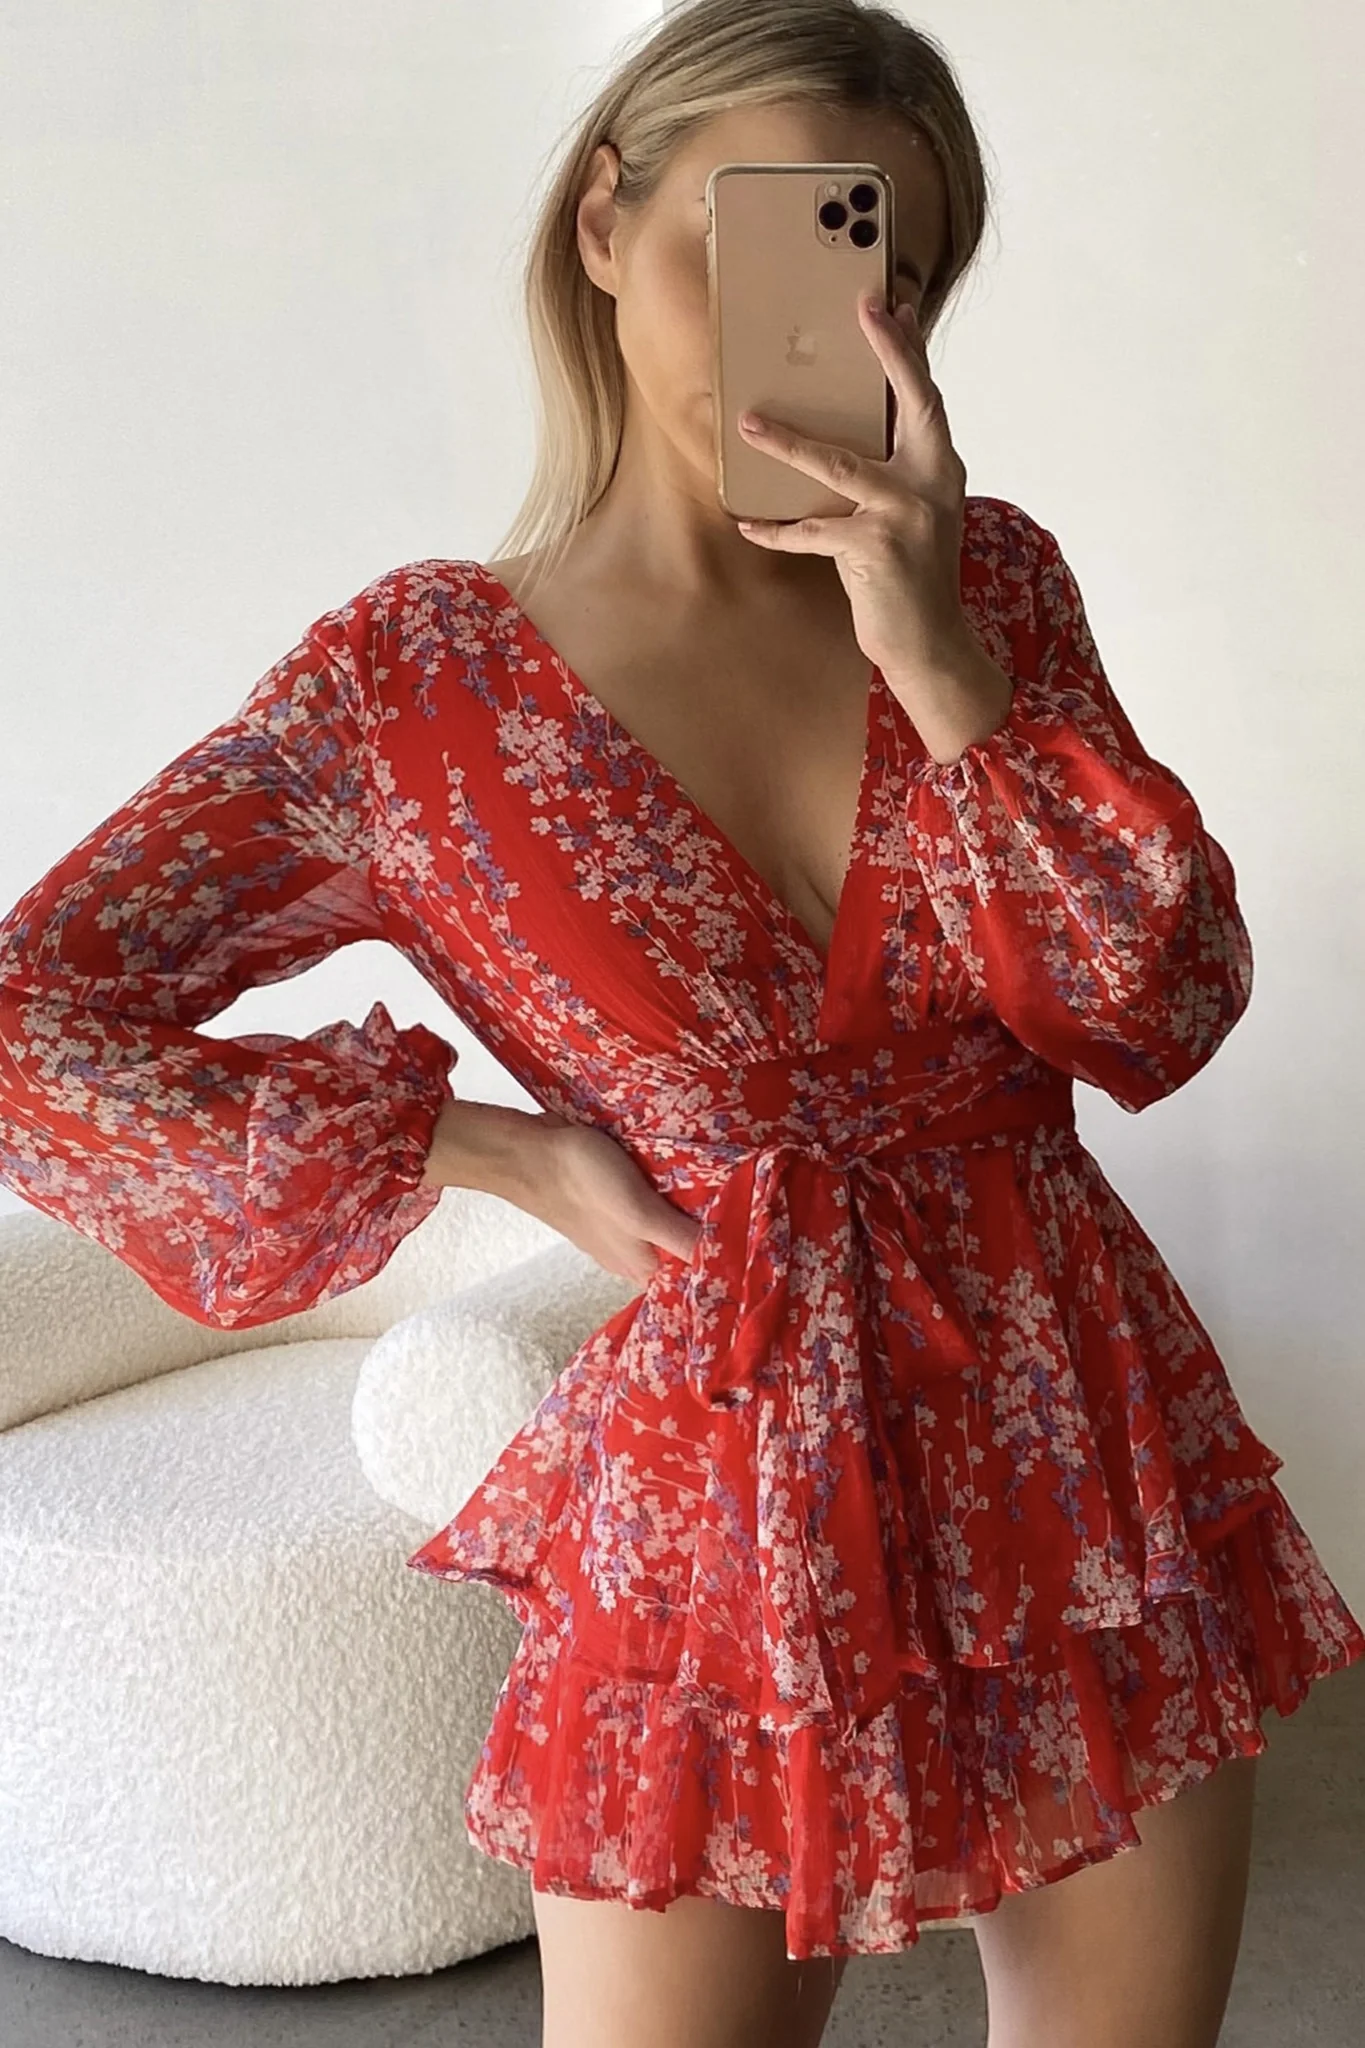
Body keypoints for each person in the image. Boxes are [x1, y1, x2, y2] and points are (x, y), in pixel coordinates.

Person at [2, 3, 1361, 2044]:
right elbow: (32, 1011)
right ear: (601, 224)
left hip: (1074, 1445)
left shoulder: (991, 586)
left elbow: (1153, 1008)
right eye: (772, 230)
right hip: (720, 1485)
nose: (836, 312)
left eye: (891, 266)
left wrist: (941, 659)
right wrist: (477, 1147)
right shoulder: (415, 683)